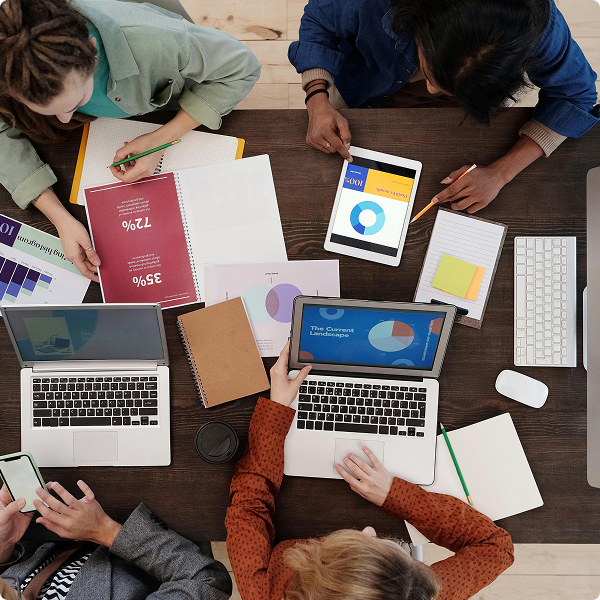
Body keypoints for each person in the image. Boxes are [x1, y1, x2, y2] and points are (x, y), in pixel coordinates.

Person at [225, 342, 515, 600]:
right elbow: (496, 547)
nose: (369, 529)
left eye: (362, 546)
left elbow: (248, 508)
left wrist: (276, 409)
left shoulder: (263, 592)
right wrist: (395, 494)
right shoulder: (414, 594)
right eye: (400, 552)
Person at [0, 0, 261, 281]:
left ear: (92, 49)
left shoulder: (160, 41)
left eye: (76, 104)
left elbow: (243, 67)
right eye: (48, 113)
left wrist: (162, 138)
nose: (65, 121)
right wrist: (60, 219)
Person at [288, 0, 599, 214]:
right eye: (430, 71)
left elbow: (576, 95)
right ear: (419, 23)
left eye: (446, 86)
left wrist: (501, 173)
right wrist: (316, 98)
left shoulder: (537, 27)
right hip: (363, 84)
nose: (430, 90)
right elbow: (319, 21)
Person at [0, 479, 232, 599]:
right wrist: (104, 530)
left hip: (50, 516)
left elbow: (7, 582)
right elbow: (208, 580)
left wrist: (4, 546)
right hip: (152, 513)